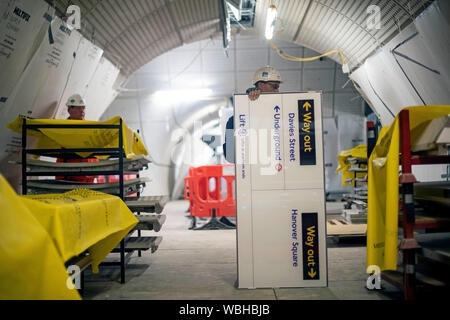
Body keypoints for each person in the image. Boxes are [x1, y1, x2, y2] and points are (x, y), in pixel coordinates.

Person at [223, 66, 283, 163]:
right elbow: (230, 155)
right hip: (253, 172)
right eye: (274, 86)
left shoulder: (282, 112)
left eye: (278, 87)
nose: (277, 91)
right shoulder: (233, 121)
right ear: (261, 85)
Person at [56, 94, 100, 183]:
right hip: (70, 178)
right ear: (69, 110)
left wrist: (96, 172)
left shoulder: (91, 128)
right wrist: (60, 176)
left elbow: (95, 155)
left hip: (88, 176)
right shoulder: (62, 129)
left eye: (83, 107)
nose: (82, 110)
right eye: (78, 108)